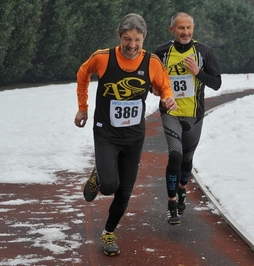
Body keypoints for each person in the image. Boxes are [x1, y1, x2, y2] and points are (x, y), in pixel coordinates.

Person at [74, 13, 177, 256]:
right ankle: (100, 175)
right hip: (106, 132)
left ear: (144, 40)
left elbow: (164, 85)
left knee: (124, 191)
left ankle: (108, 233)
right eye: (127, 39)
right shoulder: (103, 58)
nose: (132, 46)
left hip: (134, 135)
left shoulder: (151, 62)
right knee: (110, 186)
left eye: (137, 40)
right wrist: (82, 107)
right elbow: (82, 74)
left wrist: (167, 96)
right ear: (119, 36)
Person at [154, 12, 222, 225]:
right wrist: (155, 90)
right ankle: (172, 203)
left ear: (193, 29)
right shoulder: (161, 53)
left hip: (194, 115)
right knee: (175, 154)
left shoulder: (204, 52)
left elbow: (217, 83)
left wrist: (198, 71)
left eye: (188, 28)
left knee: (186, 160)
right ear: (172, 29)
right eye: (180, 28)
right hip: (170, 113)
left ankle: (182, 190)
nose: (185, 32)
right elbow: (151, 82)